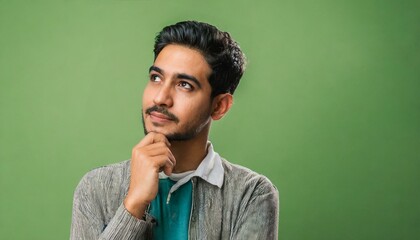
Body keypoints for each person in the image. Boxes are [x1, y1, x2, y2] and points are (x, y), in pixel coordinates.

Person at [70, 20, 279, 240]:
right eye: (156, 78)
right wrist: (133, 205)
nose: (160, 97)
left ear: (219, 106)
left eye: (184, 85)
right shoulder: (96, 188)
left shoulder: (251, 194)